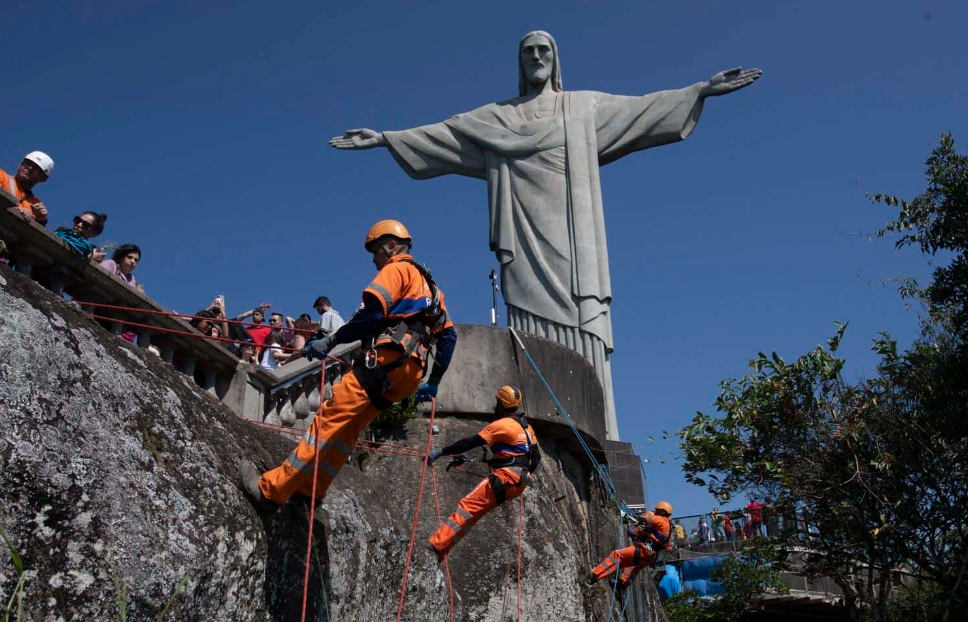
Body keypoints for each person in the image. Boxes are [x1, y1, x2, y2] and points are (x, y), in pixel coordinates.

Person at [238, 220, 458, 508]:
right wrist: (435, 380)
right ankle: (313, 490)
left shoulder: (397, 269)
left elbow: (371, 316)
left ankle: (271, 489)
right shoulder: (433, 289)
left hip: (385, 359)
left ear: (391, 245)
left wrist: (331, 342)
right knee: (349, 429)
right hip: (410, 373)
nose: (374, 260)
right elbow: (449, 336)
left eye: (376, 251)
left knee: (329, 419)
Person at [425, 386, 540, 561]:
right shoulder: (527, 428)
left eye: (497, 403)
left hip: (504, 478)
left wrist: (441, 451)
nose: (495, 406)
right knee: (473, 515)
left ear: (501, 404)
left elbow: (469, 442)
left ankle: (435, 547)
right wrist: (516, 471)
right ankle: (443, 549)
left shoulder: (500, 425)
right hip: (518, 484)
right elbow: (536, 458)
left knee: (466, 508)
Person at [587, 501, 674, 590]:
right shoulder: (667, 526)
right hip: (650, 557)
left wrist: (648, 514)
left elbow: (645, 517)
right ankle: (621, 585)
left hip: (643, 551)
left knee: (616, 555)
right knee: (628, 567)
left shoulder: (661, 520)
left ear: (663, 512)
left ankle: (594, 575)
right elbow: (646, 534)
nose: (655, 512)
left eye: (657, 511)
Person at [0, 151, 53, 225]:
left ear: (43, 178)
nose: (29, 168)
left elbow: (32, 234)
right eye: (27, 163)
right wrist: (17, 210)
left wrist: (41, 220)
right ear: (20, 165)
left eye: (36, 168)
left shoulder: (35, 204)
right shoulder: (2, 177)